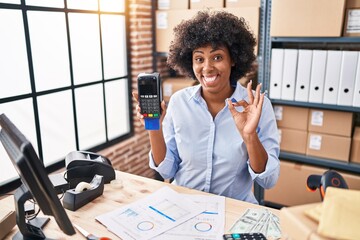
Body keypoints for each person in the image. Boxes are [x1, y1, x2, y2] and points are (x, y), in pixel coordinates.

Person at [133, 9, 280, 204]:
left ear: (233, 59)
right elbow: (167, 170)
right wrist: (155, 129)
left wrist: (250, 137)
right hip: (184, 205)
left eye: (217, 57)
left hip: (233, 208)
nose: (207, 67)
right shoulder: (178, 102)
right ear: (190, 62)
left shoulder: (256, 106)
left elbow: (268, 180)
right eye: (199, 59)